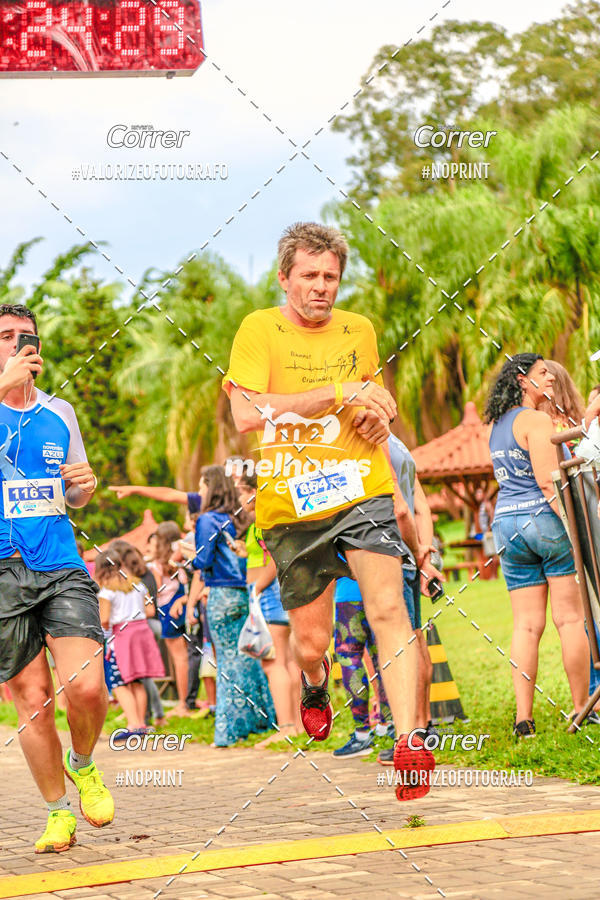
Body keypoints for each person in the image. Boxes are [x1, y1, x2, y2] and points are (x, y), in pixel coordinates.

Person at [223, 222, 434, 799]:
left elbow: (373, 399)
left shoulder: (358, 329)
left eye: (331, 277)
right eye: (310, 276)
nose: (321, 287)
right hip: (293, 502)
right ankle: (315, 684)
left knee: (388, 608)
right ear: (284, 278)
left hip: (362, 486)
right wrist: (339, 394)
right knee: (311, 644)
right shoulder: (259, 329)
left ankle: (409, 740)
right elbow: (247, 415)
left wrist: (378, 415)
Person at [0, 304, 113, 853]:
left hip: (59, 563)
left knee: (86, 685)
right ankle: (56, 812)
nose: (18, 344)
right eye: (5, 336)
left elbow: (74, 492)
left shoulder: (59, 411)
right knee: (33, 699)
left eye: (26, 336)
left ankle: (83, 762)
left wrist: (83, 486)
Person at [486, 353, 590, 737]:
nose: (550, 378)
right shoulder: (537, 420)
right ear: (521, 379)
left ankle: (523, 719)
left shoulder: (496, 425)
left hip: (506, 526)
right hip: (543, 521)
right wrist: (571, 528)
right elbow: (548, 482)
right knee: (569, 619)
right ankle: (582, 709)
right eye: (542, 373)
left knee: (526, 626)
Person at [191, 465, 275, 746]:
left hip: (220, 593)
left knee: (226, 662)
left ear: (211, 487)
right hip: (241, 592)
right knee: (247, 659)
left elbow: (203, 559)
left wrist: (190, 556)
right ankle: (261, 720)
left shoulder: (207, 520)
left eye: (202, 486)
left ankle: (228, 730)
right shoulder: (234, 518)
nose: (200, 491)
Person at [237, 472, 302, 746]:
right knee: (289, 660)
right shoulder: (275, 514)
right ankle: (298, 724)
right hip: (282, 591)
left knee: (273, 663)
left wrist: (256, 589)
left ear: (255, 492)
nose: (239, 499)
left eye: (242, 492)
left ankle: (286, 726)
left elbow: (277, 557)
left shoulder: (265, 518)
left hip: (269, 593)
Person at [96, 550, 165, 740]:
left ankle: (133, 725)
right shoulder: (138, 584)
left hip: (122, 636)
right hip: (142, 632)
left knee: (119, 682)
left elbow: (104, 619)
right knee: (137, 680)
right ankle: (142, 724)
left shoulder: (107, 591)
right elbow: (150, 611)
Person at [148, 520, 189, 718]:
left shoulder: (158, 564)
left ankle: (183, 703)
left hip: (167, 608)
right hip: (182, 602)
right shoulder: (180, 555)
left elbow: (156, 591)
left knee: (179, 658)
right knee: (187, 656)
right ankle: (188, 699)